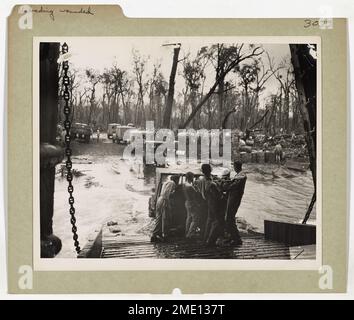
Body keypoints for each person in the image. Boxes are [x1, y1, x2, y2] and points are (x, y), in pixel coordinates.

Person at [221, 160, 247, 245]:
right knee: (229, 218)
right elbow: (233, 183)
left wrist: (224, 186)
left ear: (235, 167)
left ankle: (236, 239)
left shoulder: (241, 176)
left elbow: (233, 185)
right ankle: (232, 237)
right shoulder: (240, 175)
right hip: (233, 198)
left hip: (234, 199)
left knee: (229, 218)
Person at [197, 164, 223, 246]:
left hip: (206, 200)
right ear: (210, 170)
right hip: (213, 201)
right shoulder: (211, 183)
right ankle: (210, 240)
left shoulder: (200, 179)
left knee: (209, 220)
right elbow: (218, 194)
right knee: (217, 221)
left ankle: (205, 239)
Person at [151, 175, 180, 242]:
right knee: (165, 218)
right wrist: (168, 204)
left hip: (160, 200)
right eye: (178, 181)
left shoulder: (166, 182)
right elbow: (166, 194)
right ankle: (165, 235)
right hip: (164, 200)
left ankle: (155, 234)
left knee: (159, 218)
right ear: (176, 180)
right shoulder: (172, 183)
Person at [183, 172, 200, 239]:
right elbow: (195, 195)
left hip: (187, 202)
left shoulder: (184, 184)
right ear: (191, 177)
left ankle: (187, 232)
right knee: (195, 219)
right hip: (192, 202)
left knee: (189, 218)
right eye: (192, 177)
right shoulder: (190, 186)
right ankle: (190, 234)